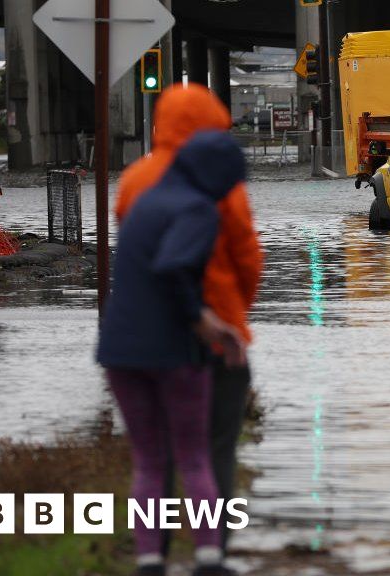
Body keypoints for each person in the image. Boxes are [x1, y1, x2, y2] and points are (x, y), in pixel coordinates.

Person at [116, 83, 264, 554]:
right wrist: (233, 313)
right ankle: (213, 549)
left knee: (152, 456)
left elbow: (133, 250)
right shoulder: (220, 183)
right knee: (214, 449)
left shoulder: (135, 179)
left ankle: (151, 554)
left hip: (148, 336)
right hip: (215, 336)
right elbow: (248, 258)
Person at [98, 130, 247, 576]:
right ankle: (208, 558)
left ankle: (148, 560)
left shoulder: (145, 203)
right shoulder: (198, 209)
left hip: (120, 350)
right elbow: (174, 267)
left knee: (148, 460)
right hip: (173, 351)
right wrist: (207, 323)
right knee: (194, 455)